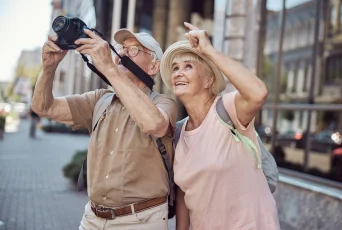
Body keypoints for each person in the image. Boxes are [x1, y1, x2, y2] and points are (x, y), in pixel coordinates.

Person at [32, 27, 177, 229]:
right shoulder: (100, 99)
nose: (123, 54)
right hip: (92, 218)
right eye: (121, 48)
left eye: (134, 50)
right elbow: (43, 107)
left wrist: (109, 67)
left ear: (154, 67)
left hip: (140, 221)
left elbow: (154, 124)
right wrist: (48, 68)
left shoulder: (165, 104)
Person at [160, 22, 280, 230]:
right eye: (175, 68)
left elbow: (258, 92)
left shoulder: (228, 109)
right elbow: (183, 195)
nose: (179, 73)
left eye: (188, 66)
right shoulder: (179, 131)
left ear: (208, 80)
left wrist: (209, 50)